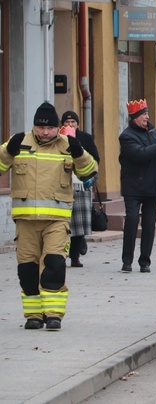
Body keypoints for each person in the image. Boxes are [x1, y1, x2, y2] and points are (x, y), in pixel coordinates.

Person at [0, 102, 98, 330]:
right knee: (27, 269)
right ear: (34, 126)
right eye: (40, 127)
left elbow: (90, 174)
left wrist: (80, 153)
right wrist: (7, 151)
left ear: (58, 127)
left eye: (50, 128)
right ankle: (33, 315)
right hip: (25, 221)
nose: (45, 132)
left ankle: (54, 314)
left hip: (57, 220)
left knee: (54, 264)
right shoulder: (19, 142)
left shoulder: (68, 145)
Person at [118, 99, 156, 273]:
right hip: (134, 186)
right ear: (134, 117)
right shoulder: (126, 136)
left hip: (153, 187)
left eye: (147, 114)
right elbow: (140, 155)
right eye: (143, 115)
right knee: (132, 221)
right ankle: (127, 260)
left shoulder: (154, 132)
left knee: (149, 225)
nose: (146, 117)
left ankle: (145, 262)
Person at [60, 111, 100, 268]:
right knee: (64, 224)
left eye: (73, 122)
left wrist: (91, 176)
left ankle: (75, 255)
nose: (70, 125)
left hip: (81, 184)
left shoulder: (85, 138)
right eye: (67, 122)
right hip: (62, 185)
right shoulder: (57, 138)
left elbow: (95, 158)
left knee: (79, 224)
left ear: (77, 124)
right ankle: (62, 254)